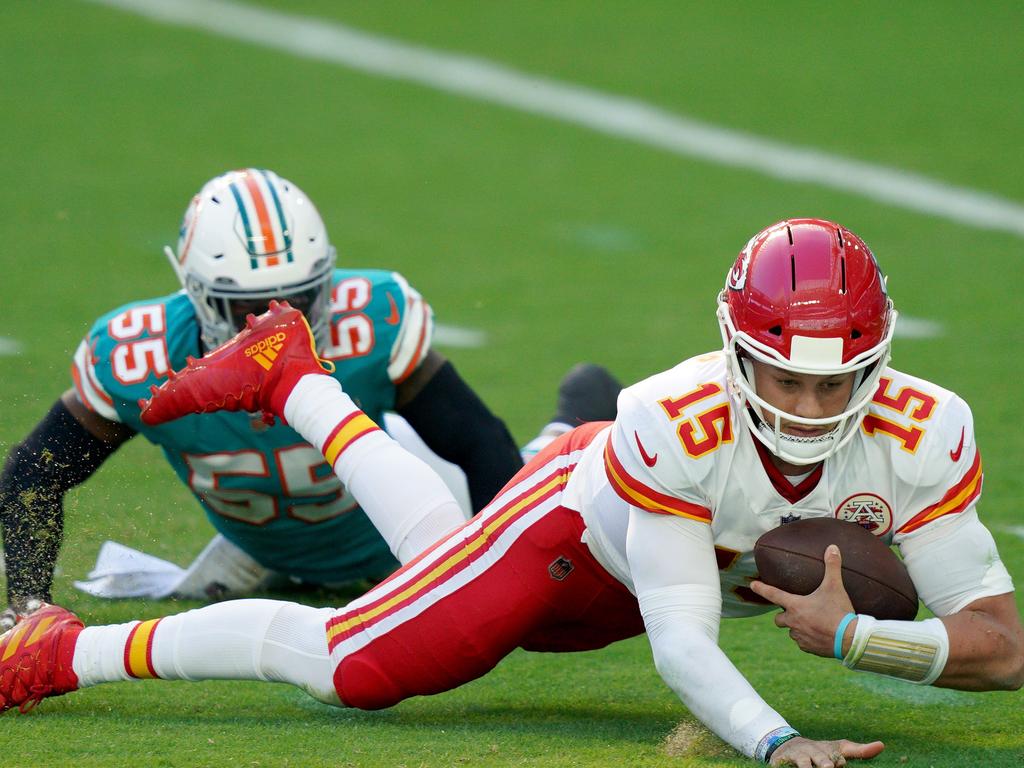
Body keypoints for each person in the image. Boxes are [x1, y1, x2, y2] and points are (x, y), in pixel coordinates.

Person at [3, 219, 1021, 768]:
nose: (806, 405)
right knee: (354, 664)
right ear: (733, 353)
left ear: (879, 366)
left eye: (832, 380)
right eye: (781, 375)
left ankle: (293, 377)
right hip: (571, 541)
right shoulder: (679, 416)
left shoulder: (924, 433)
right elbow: (679, 641)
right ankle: (61, 651)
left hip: (617, 537)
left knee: (436, 550)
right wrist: (777, 741)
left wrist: (857, 642)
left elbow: (1002, 647)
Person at [0, 167, 529, 626]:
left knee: (547, 476)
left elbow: (482, 445)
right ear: (199, 295)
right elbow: (34, 474)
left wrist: (502, 583)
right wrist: (26, 609)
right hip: (259, 553)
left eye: (297, 301)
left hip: (417, 524)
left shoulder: (366, 324)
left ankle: (581, 406)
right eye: (248, 309)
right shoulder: (142, 357)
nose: (275, 328)